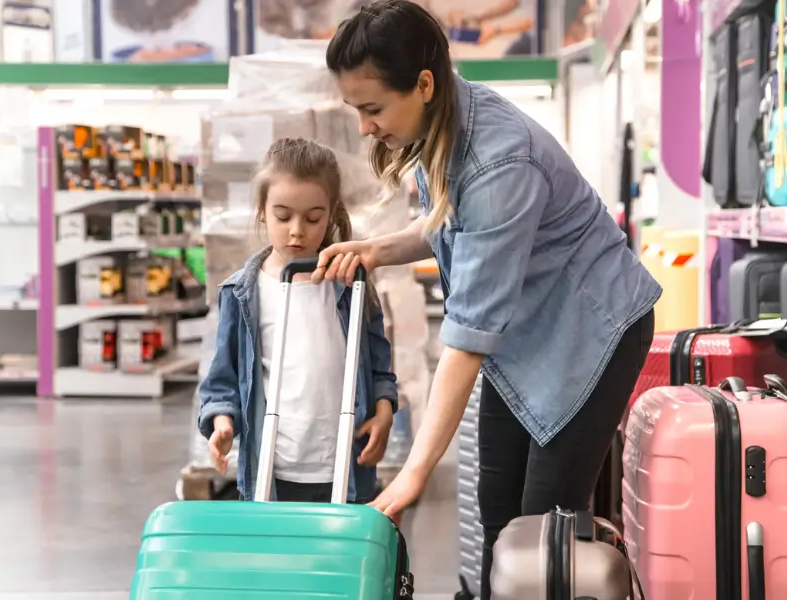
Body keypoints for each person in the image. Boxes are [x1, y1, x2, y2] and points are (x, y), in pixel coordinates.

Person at [316, 1, 660, 596]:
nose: (365, 127)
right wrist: (378, 249)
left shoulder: (499, 158)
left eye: (371, 109)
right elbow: (451, 221)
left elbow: (467, 337)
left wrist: (415, 472)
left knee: (545, 526)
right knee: (498, 510)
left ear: (422, 84)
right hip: (527, 335)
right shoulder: (444, 119)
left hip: (591, 334)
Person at [197, 137, 399, 504]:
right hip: (274, 471)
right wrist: (222, 422)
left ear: (332, 213)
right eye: (283, 215)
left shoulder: (351, 284)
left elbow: (378, 366)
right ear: (262, 210)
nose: (296, 230)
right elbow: (222, 379)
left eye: (313, 218)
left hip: (344, 465)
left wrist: (384, 411)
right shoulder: (242, 293)